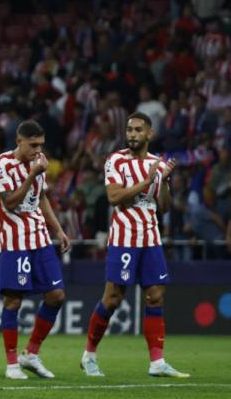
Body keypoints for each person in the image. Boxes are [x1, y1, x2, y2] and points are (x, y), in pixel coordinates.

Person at [81, 113, 189, 378]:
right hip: (124, 238)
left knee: (155, 295)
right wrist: (147, 181)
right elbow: (114, 196)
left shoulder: (157, 163)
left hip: (151, 238)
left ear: (149, 134)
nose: (132, 134)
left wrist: (162, 181)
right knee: (113, 298)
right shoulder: (116, 160)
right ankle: (89, 356)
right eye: (129, 129)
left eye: (138, 130)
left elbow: (163, 207)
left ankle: (157, 363)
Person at [0, 120, 70, 379]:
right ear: (19, 141)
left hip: (40, 240)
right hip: (15, 243)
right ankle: (12, 364)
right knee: (13, 300)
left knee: (56, 295)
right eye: (32, 145)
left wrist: (58, 230)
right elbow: (11, 202)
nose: (37, 150)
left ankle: (31, 353)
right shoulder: (2, 164)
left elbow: (42, 197)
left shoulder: (39, 163)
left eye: (41, 145)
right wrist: (32, 174)